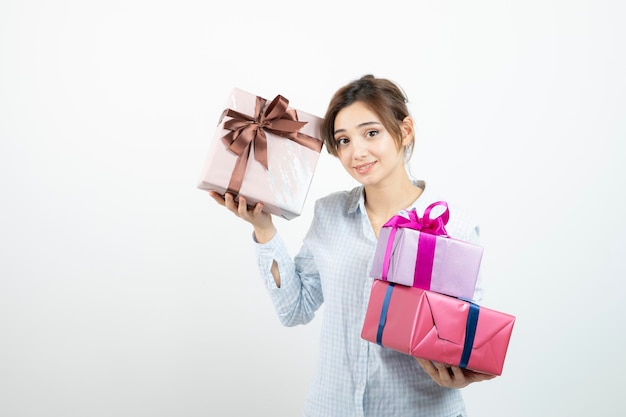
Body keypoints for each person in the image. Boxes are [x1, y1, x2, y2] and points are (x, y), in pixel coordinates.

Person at [209, 74, 495, 417]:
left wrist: (460, 375)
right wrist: (264, 229)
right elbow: (295, 309)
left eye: (371, 133)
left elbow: (465, 340)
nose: (356, 152)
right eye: (343, 141)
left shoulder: (455, 227)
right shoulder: (330, 214)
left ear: (405, 131)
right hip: (333, 406)